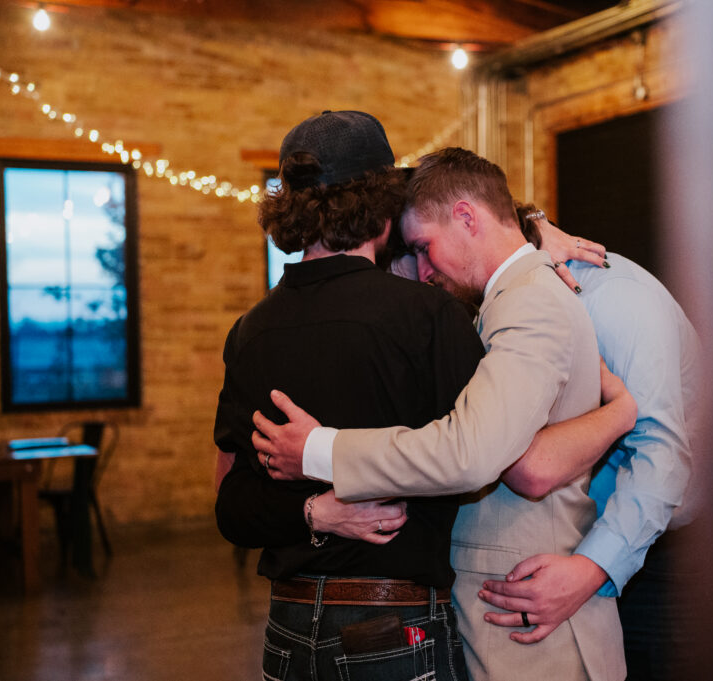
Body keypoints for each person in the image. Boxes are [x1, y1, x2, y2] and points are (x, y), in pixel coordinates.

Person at [254, 147, 635, 681]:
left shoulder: (527, 301)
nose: (423, 269)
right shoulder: (504, 298)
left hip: (525, 620)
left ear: (466, 217)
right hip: (507, 612)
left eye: (424, 248)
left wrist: (320, 449)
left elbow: (473, 453)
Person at [213, 111, 486, 681]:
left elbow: (232, 506)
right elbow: (477, 466)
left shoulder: (250, 330)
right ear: (384, 209)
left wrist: (316, 512)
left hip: (287, 624)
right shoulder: (429, 316)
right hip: (394, 624)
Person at [479, 205, 704, 679]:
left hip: (667, 549)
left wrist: (590, 569)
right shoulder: (516, 299)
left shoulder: (618, 303)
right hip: (585, 534)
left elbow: (661, 457)